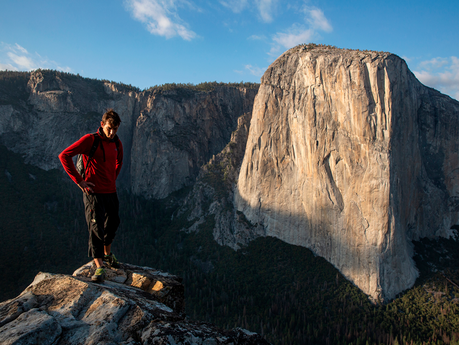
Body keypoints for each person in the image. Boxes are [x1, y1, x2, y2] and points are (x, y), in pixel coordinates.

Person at [59, 109, 123, 283]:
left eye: (115, 129)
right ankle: (99, 266)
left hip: (111, 192)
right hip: (93, 193)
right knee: (96, 228)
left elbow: (119, 161)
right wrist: (80, 182)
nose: (112, 132)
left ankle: (107, 254)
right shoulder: (90, 140)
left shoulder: (117, 143)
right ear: (102, 125)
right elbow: (64, 155)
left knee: (113, 223)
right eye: (110, 128)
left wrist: (111, 178)